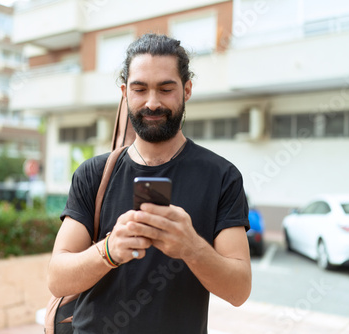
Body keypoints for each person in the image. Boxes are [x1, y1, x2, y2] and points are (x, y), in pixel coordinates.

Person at [48, 33, 251, 333]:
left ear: (187, 89)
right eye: (140, 89)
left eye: (166, 89)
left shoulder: (221, 177)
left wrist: (191, 247)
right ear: (124, 92)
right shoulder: (93, 173)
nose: (152, 103)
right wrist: (109, 250)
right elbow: (57, 278)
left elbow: (239, 291)